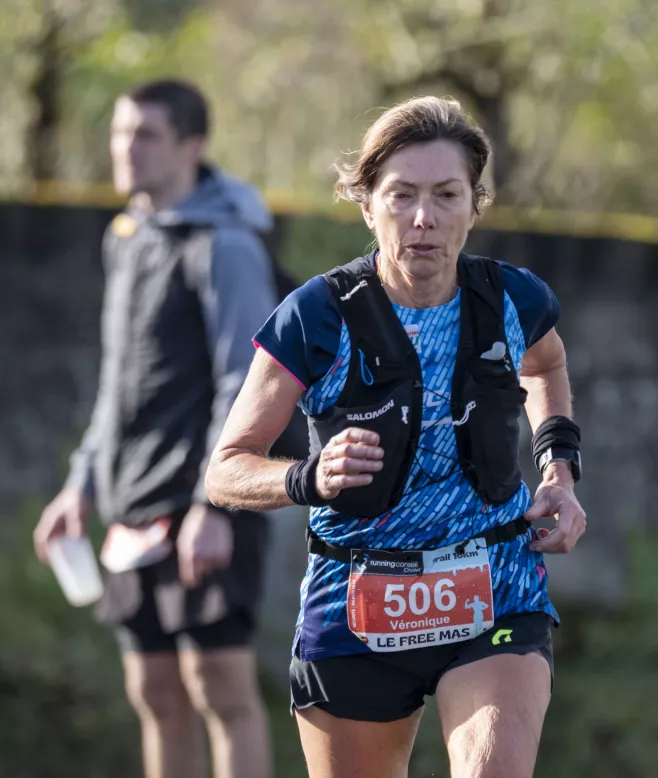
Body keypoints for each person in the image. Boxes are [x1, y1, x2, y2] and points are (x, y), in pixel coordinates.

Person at [204, 95, 587, 778]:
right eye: (402, 195)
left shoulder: (511, 299)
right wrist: (309, 476)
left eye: (446, 195)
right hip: (357, 604)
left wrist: (558, 467)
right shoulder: (316, 316)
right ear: (367, 207)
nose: (423, 218)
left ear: (475, 206)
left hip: (495, 586)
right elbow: (226, 470)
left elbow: (545, 363)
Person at [33, 79, 294, 778]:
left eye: (146, 134)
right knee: (152, 690)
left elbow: (248, 383)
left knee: (221, 688)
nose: (127, 148)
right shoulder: (125, 237)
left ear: (192, 145)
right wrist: (80, 486)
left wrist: (216, 505)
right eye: (121, 132)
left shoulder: (227, 244)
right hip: (130, 503)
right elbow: (117, 383)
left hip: (203, 503)